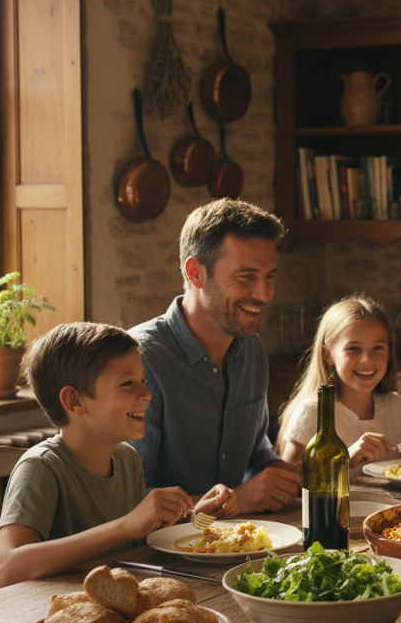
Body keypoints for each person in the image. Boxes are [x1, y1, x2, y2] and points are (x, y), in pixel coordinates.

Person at [0, 322, 235, 587]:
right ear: (74, 401)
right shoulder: (41, 468)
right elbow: (6, 569)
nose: (146, 394)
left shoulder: (127, 459)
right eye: (127, 384)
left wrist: (191, 516)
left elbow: (134, 544)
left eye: (143, 380)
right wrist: (126, 525)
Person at [128, 199, 302, 515]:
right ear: (196, 273)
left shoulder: (252, 350)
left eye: (270, 277)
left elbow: (253, 452)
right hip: (155, 557)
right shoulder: (138, 361)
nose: (264, 294)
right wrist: (239, 499)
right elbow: (126, 498)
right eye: (246, 276)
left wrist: (281, 472)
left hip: (236, 543)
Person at [277, 294, 401, 474]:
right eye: (353, 349)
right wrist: (345, 459)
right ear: (327, 355)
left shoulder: (395, 406)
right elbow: (288, 482)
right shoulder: (312, 412)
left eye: (378, 348)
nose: (367, 359)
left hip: (392, 503)